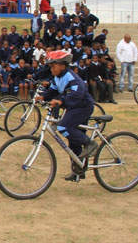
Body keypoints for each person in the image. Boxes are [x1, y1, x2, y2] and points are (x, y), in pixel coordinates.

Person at [35, 50, 98, 181]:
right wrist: (42, 97)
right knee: (73, 141)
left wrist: (62, 101)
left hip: (83, 106)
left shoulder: (71, 76)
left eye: (53, 66)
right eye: (50, 67)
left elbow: (78, 92)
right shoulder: (57, 77)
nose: (51, 69)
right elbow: (52, 90)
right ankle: (78, 171)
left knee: (63, 128)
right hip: (73, 107)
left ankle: (90, 144)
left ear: (62, 66)